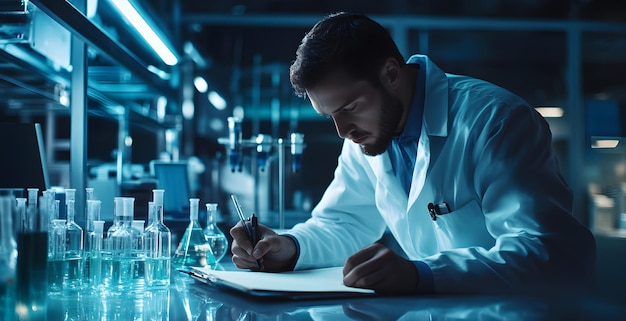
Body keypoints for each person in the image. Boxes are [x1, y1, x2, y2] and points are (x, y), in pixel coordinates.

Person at [229, 12, 596, 294]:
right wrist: (287, 247)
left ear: (391, 74)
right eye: (330, 117)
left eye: (350, 106)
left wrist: (422, 273)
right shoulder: (367, 134)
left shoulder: (495, 121)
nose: (342, 131)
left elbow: (548, 252)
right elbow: (344, 223)